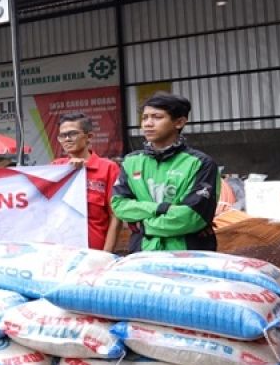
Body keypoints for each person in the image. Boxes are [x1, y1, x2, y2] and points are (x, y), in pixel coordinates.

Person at [111, 92, 219, 252]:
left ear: (179, 122)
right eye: (145, 117)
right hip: (142, 252)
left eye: (157, 117)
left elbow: (192, 216)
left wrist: (143, 226)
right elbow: (119, 205)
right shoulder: (131, 162)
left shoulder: (201, 163)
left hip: (189, 256)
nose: (148, 123)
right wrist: (160, 208)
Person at [51, 112, 122, 252]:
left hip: (94, 253)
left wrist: (105, 254)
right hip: (60, 252)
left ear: (89, 136)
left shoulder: (108, 168)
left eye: (72, 134)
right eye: (62, 136)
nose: (67, 139)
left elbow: (116, 216)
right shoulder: (55, 167)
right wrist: (68, 171)